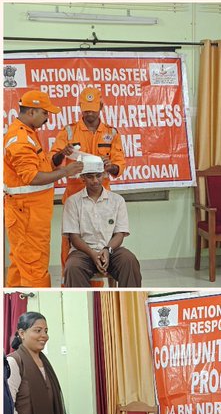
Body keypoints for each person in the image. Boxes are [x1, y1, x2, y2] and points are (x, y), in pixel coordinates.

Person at [4, 91, 85, 287]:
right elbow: (32, 177)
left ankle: (14, 291)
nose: (47, 118)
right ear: (32, 112)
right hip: (27, 217)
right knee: (34, 266)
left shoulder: (29, 134)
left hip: (31, 214)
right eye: (45, 113)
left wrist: (59, 157)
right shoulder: (21, 140)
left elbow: (42, 164)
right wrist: (66, 170)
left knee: (21, 265)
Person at [52, 87, 126, 268]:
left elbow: (119, 165)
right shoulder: (69, 131)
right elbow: (53, 161)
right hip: (75, 197)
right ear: (80, 107)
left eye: (92, 109)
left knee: (101, 240)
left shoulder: (112, 133)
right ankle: (69, 281)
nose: (89, 113)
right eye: (85, 109)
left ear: (101, 106)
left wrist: (111, 166)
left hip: (102, 199)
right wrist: (63, 152)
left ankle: (97, 280)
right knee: (70, 243)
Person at [60, 168, 142, 287]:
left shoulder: (117, 200)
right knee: (73, 267)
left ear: (104, 175)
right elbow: (74, 237)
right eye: (90, 177)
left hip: (111, 250)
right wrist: (92, 253)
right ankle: (83, 305)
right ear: (82, 177)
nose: (95, 181)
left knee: (129, 261)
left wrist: (107, 250)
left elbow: (119, 234)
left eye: (98, 176)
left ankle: (128, 303)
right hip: (83, 252)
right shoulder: (72, 202)